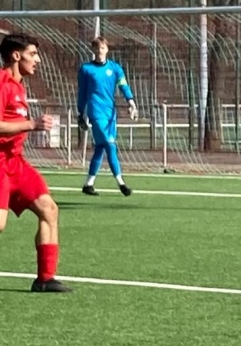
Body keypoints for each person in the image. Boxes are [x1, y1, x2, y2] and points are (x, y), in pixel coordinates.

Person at [0, 33, 72, 293]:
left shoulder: (20, 86)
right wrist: (32, 124)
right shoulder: (2, 83)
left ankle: (45, 279)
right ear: (15, 55)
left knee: (49, 210)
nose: (38, 60)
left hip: (15, 163)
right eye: (32, 54)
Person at [77, 35, 138, 196]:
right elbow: (82, 92)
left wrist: (131, 102)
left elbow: (124, 85)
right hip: (95, 111)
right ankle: (121, 183)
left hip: (110, 112)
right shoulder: (86, 69)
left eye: (102, 48)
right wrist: (81, 112)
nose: (100, 51)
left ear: (107, 49)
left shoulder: (115, 68)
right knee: (110, 145)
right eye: (97, 48)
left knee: (100, 147)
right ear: (93, 50)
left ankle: (89, 184)